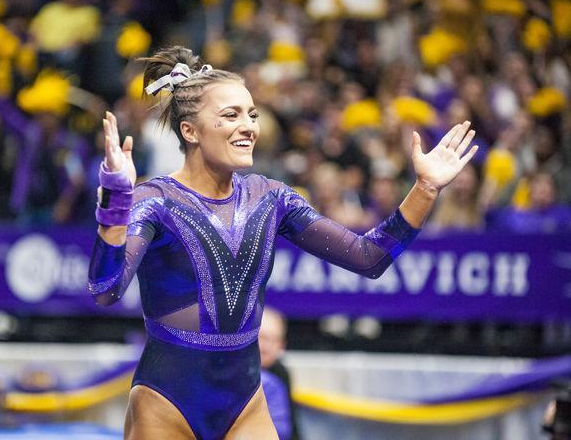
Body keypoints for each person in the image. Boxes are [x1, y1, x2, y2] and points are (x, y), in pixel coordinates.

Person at [87, 46, 477, 440]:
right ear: (190, 131)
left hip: (244, 405)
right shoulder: (155, 200)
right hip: (166, 401)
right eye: (230, 115)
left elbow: (369, 257)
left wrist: (425, 189)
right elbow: (106, 290)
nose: (249, 126)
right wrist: (115, 207)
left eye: (252, 114)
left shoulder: (271, 198)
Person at [259, 307, 298, 440]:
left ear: (282, 345)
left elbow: (290, 427)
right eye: (262, 337)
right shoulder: (228, 370)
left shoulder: (280, 373)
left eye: (274, 340)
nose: (266, 347)